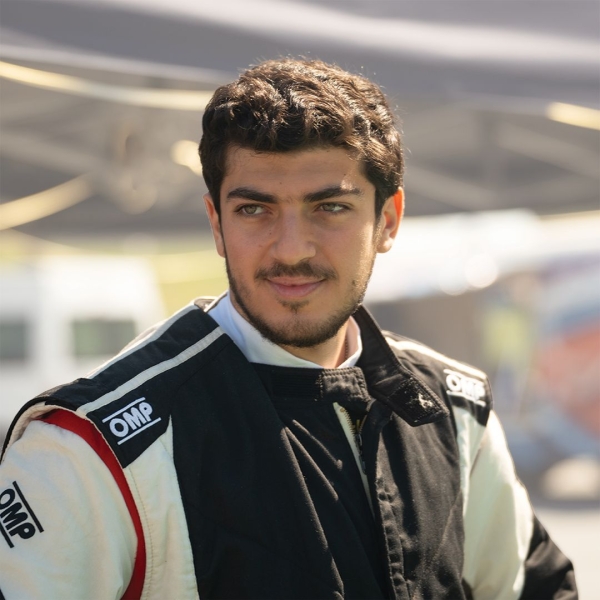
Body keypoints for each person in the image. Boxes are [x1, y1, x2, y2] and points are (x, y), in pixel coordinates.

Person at [0, 58, 576, 599]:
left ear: (388, 220)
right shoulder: (89, 451)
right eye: (255, 210)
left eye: (330, 207)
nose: (292, 249)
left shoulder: (454, 411)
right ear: (216, 224)